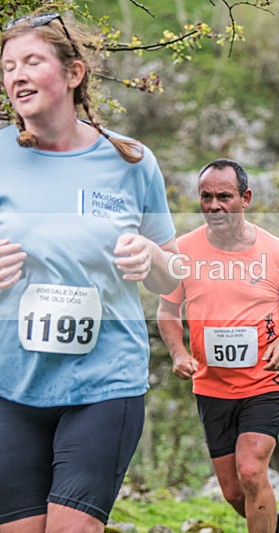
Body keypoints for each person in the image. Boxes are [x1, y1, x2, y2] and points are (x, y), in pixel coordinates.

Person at [0, 12, 179, 532]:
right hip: (12, 386)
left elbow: (173, 278)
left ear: (74, 73)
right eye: (8, 66)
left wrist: (152, 258)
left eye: (32, 61)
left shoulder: (131, 161)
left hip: (103, 385)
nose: (16, 76)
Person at [157, 159, 279, 533]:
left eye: (224, 197)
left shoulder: (276, 251)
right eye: (206, 197)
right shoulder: (183, 250)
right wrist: (179, 353)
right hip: (211, 384)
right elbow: (167, 310)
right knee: (233, 491)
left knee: (251, 470)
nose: (214, 206)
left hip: (265, 381)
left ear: (245, 198)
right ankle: (274, 524)